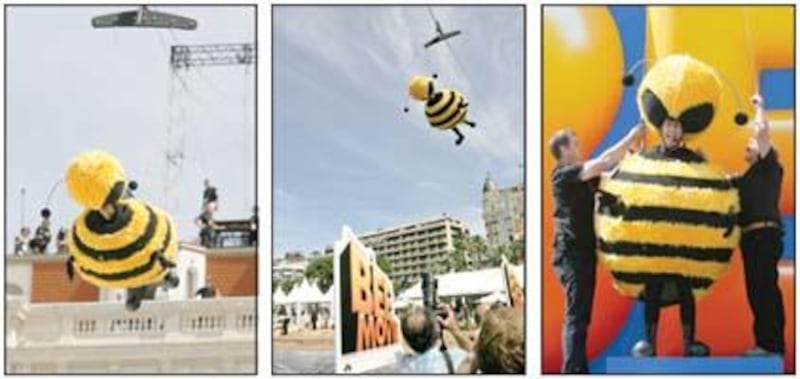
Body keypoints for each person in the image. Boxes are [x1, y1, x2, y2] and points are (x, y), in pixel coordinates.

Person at [549, 123, 645, 373]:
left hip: (583, 254)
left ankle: (577, 368)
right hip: (571, 255)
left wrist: (635, 156)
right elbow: (604, 161)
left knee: (581, 316)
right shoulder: (563, 175)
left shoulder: (582, 177)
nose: (579, 145)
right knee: (576, 316)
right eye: (575, 141)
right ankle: (573, 371)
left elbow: (609, 175)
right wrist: (631, 135)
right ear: (563, 148)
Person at [731, 94, 785, 357]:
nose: (749, 144)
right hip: (750, 239)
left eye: (752, 143)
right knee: (757, 292)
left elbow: (762, 131)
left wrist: (760, 107)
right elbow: (722, 182)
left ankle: (772, 345)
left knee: (765, 290)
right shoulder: (745, 178)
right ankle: (764, 343)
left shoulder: (769, 165)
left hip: (764, 234)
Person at [398, 305, 468, 374]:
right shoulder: (457, 359)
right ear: (436, 333)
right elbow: (475, 356)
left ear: (406, 340)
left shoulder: (400, 368)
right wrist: (454, 329)